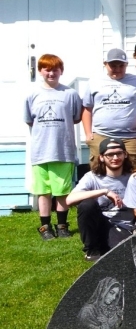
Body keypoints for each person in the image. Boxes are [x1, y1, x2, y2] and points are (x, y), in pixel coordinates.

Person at [25, 53, 83, 241]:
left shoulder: (70, 94)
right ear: (41, 71)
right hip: (41, 151)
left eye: (55, 69)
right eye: (47, 69)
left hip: (63, 150)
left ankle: (62, 225)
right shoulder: (32, 94)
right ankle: (45, 226)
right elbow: (30, 120)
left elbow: (75, 118)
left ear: (61, 71)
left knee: (62, 191)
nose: (51, 73)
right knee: (44, 191)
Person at [67, 138, 134, 261]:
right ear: (102, 157)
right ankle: (91, 250)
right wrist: (104, 191)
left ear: (125, 155)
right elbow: (69, 200)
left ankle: (104, 244)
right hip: (98, 223)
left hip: (122, 225)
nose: (115, 158)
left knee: (123, 253)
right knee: (87, 204)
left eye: (118, 153)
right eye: (109, 155)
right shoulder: (92, 177)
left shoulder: (134, 177)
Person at [82, 48, 136, 167]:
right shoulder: (94, 81)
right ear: (105, 64)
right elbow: (87, 109)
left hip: (131, 138)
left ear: (126, 65)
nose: (117, 69)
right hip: (101, 136)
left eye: (121, 66)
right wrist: (88, 134)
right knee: (99, 174)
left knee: (134, 175)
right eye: (113, 66)